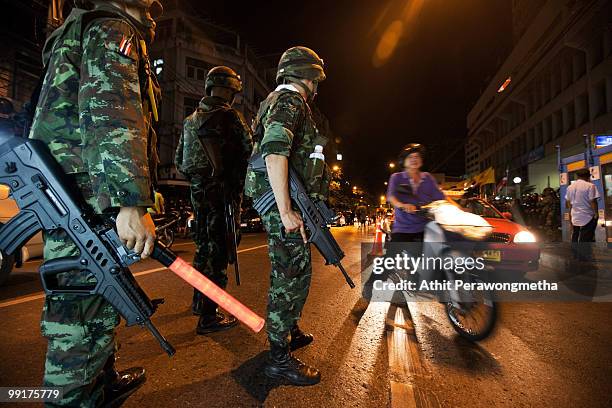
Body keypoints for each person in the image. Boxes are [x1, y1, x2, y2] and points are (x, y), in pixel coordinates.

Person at [28, 0, 163, 405]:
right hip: (87, 196)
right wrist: (130, 203)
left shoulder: (81, 27)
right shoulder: (113, 28)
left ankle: (99, 385)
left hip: (71, 190)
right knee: (80, 325)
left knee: (91, 306)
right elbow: (111, 111)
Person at [244, 46, 329, 386]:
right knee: (290, 275)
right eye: (315, 78)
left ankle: (288, 330)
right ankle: (278, 357)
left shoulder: (278, 101)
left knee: (295, 269)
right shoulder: (289, 100)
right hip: (283, 204)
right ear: (307, 75)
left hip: (288, 200)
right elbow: (275, 153)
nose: (317, 85)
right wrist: (286, 210)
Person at [175, 66, 253, 333]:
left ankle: (200, 301)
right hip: (223, 193)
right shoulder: (230, 116)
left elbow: (179, 161)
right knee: (219, 253)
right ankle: (209, 316)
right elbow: (248, 153)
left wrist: (200, 179)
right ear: (231, 90)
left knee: (202, 249)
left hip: (199, 192)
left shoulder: (189, 121)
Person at [386, 143, 445, 247]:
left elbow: (441, 198)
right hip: (403, 228)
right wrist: (403, 205)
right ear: (403, 161)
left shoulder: (428, 177)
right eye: (410, 157)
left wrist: (459, 208)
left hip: (425, 227)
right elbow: (391, 197)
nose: (414, 159)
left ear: (421, 160)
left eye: (417, 156)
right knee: (393, 259)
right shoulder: (396, 177)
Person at [566, 168, 600, 259]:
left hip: (575, 215)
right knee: (586, 236)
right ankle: (583, 256)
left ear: (577, 176)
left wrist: (570, 212)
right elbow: (593, 201)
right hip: (587, 215)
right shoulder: (590, 186)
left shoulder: (570, 187)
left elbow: (568, 201)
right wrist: (596, 213)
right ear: (588, 176)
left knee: (575, 234)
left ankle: (575, 254)